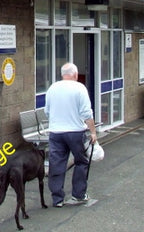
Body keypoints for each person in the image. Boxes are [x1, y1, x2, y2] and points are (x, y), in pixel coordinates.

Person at [44, 62, 97, 207]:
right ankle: (78, 195)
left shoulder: (52, 88)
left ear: (62, 74)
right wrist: (93, 132)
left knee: (56, 164)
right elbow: (87, 113)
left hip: (55, 133)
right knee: (81, 162)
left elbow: (47, 111)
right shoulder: (79, 88)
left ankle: (57, 199)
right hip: (75, 132)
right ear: (75, 74)